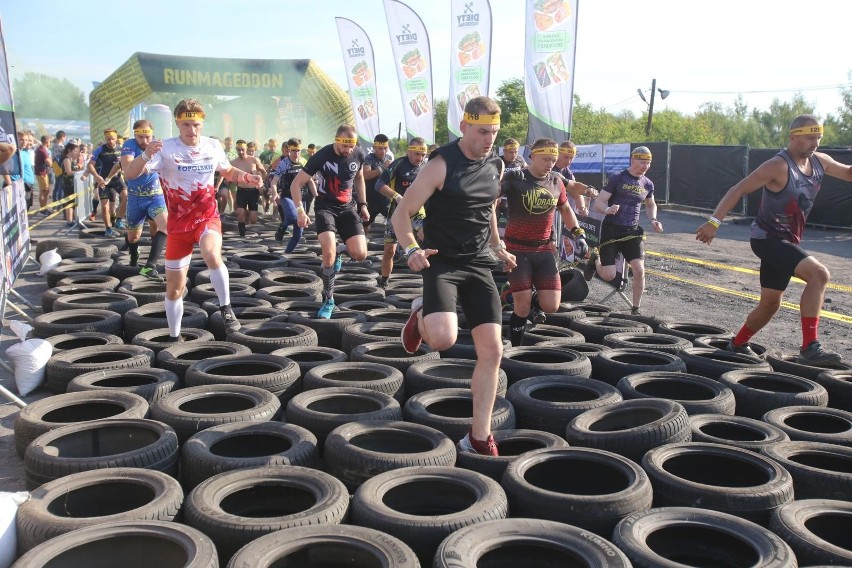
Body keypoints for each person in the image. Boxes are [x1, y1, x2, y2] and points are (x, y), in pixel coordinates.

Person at [391, 96, 517, 456]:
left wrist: (497, 245)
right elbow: (402, 213)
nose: (489, 139)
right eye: (481, 132)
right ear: (463, 127)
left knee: (492, 351)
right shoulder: (441, 164)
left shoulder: (496, 164)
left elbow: (488, 207)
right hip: (442, 261)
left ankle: (479, 436)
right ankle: (420, 313)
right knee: (444, 341)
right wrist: (411, 249)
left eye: (493, 132)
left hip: (478, 263)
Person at [696, 114, 852, 365]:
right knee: (819, 275)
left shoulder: (820, 161)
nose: (816, 143)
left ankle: (736, 345)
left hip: (788, 241)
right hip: (767, 239)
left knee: (770, 304)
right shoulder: (778, 165)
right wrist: (714, 223)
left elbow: (849, 174)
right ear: (793, 137)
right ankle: (810, 347)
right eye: (810, 137)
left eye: (819, 137)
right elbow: (737, 189)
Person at [123, 98, 263, 342]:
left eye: (196, 124)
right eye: (186, 125)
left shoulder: (212, 145)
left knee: (211, 254)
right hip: (178, 226)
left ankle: (226, 310)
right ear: (178, 123)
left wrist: (246, 178)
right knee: (174, 289)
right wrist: (145, 154)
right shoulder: (165, 148)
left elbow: (228, 171)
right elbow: (130, 173)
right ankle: (175, 337)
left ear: (202, 124)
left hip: (206, 218)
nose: (192, 130)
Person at [502, 138, 589, 346]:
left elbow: (566, 209)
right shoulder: (516, 178)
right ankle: (515, 348)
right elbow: (487, 198)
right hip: (517, 249)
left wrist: (579, 233)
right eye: (545, 159)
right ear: (532, 156)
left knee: (551, 306)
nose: (550, 164)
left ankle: (510, 293)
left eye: (553, 159)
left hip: (543, 249)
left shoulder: (556, 181)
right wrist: (501, 179)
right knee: (522, 309)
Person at [289, 125, 370, 319]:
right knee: (328, 254)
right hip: (325, 207)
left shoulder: (358, 154)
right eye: (345, 146)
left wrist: (363, 204)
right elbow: (296, 184)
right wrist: (300, 211)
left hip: (348, 208)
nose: (348, 150)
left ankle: (341, 250)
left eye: (351, 146)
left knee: (360, 254)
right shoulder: (321, 156)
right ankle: (328, 299)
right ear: (337, 140)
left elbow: (359, 178)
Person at [584, 146, 663, 315]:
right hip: (611, 230)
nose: (645, 166)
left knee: (639, 269)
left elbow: (650, 204)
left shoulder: (647, 184)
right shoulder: (617, 178)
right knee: (609, 276)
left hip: (632, 231)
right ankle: (595, 260)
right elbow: (599, 202)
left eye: (648, 163)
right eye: (642, 162)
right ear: (633, 160)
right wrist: (607, 210)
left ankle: (636, 308)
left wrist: (654, 219)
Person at [374, 137, 428, 288]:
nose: (420, 158)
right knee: (389, 251)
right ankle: (384, 281)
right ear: (409, 151)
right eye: (417, 154)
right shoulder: (398, 164)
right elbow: (379, 185)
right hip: (397, 211)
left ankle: (431, 280)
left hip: (418, 211)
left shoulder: (427, 167)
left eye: (423, 155)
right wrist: (397, 196)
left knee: (427, 237)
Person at [119, 119, 168, 281]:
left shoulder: (159, 146)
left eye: (148, 137)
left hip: (155, 196)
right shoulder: (129, 145)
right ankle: (134, 256)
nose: (145, 141)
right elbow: (128, 170)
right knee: (133, 237)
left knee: (165, 226)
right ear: (135, 136)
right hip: (135, 199)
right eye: (140, 137)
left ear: (152, 135)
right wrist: (146, 155)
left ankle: (150, 267)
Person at [268, 138, 316, 252]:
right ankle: (282, 227)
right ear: (288, 150)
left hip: (301, 198)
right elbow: (274, 181)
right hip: (287, 196)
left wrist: (317, 197)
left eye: (298, 151)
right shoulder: (283, 164)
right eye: (294, 151)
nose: (296, 153)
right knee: (292, 217)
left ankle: (286, 255)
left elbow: (310, 181)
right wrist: (275, 193)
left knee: (298, 234)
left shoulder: (304, 162)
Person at [88, 128, 127, 237]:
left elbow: (127, 162)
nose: (110, 141)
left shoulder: (122, 149)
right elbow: (90, 165)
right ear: (105, 139)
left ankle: (119, 220)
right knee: (105, 207)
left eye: (112, 139)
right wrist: (97, 176)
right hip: (104, 181)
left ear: (116, 138)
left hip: (117, 180)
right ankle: (108, 229)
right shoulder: (100, 149)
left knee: (126, 196)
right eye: (108, 139)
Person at [231, 139, 267, 237]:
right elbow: (225, 174)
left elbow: (264, 172)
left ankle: (251, 235)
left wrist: (261, 184)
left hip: (253, 191)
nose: (241, 152)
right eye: (238, 150)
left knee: (253, 218)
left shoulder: (254, 160)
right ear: (236, 150)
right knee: (240, 213)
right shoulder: (234, 162)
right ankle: (242, 235)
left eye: (242, 150)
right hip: (241, 191)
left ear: (246, 149)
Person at [555, 140, 598, 215]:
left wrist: (581, 208)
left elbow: (575, 191)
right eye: (566, 157)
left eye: (571, 158)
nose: (569, 161)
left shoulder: (567, 172)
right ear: (558, 154)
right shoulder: (549, 167)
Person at [362, 134, 394, 230]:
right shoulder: (369, 158)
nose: (383, 151)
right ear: (374, 148)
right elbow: (366, 175)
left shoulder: (388, 159)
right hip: (371, 201)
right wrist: (382, 168)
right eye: (380, 148)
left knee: (396, 222)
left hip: (385, 200)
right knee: (364, 227)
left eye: (385, 148)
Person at [58, 142, 82, 225]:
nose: (77, 153)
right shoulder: (66, 159)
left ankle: (74, 219)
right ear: (69, 150)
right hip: (68, 184)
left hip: (74, 184)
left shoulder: (73, 160)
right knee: (69, 202)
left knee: (74, 202)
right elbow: (68, 172)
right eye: (75, 151)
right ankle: (69, 221)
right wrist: (79, 172)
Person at [34, 135, 52, 210]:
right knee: (43, 191)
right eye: (50, 141)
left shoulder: (40, 149)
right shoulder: (42, 150)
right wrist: (50, 159)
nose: (50, 143)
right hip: (41, 172)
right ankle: (43, 209)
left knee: (46, 190)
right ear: (47, 141)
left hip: (42, 171)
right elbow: (49, 163)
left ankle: (44, 207)